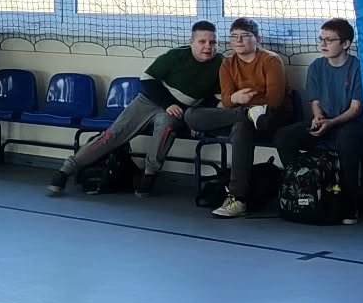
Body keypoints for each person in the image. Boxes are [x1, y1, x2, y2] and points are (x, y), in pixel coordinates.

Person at [48, 22, 222, 196]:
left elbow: (214, 98)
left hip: (178, 112)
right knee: (112, 135)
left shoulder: (221, 64)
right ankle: (65, 171)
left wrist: (196, 119)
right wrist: (168, 103)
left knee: (166, 128)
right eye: (202, 41)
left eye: (212, 42)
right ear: (191, 42)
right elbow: (147, 80)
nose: (208, 46)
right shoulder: (175, 56)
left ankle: (149, 176)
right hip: (149, 102)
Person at [184, 17, 290, 220]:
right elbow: (226, 99)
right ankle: (246, 114)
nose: (238, 41)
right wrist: (236, 100)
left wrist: (242, 101)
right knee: (191, 115)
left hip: (269, 117)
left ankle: (237, 199)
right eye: (234, 37)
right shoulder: (227, 63)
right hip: (240, 114)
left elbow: (275, 100)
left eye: (244, 36)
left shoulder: (270, 60)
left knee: (241, 128)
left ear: (257, 39)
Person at [275, 17, 363, 223]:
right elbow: (315, 101)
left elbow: (355, 109)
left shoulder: (358, 68)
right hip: (324, 120)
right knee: (284, 137)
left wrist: (331, 123)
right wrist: (318, 118)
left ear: (345, 44)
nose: (323, 44)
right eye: (321, 39)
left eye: (329, 40)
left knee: (347, 141)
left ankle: (349, 204)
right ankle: (302, 186)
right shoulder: (316, 66)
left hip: (348, 123)